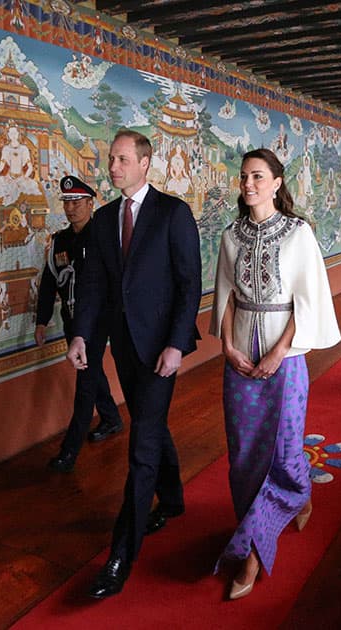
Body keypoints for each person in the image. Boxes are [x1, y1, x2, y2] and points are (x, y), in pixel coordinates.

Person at [67, 129, 202, 599]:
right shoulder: (105, 220)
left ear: (145, 163)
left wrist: (177, 344)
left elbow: (189, 284)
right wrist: (83, 333)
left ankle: (121, 556)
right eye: (111, 159)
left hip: (162, 347)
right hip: (122, 347)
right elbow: (94, 286)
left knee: (142, 441)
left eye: (122, 159)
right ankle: (176, 498)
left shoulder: (173, 213)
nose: (113, 167)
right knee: (151, 421)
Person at [210, 148, 340, 600]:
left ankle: (250, 551)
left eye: (258, 176)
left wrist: (280, 352)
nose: (248, 184)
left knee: (283, 449)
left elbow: (308, 298)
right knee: (244, 451)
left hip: (285, 359)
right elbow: (225, 296)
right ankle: (286, 506)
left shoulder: (298, 234)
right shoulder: (230, 236)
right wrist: (228, 347)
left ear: (277, 183)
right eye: (244, 176)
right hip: (239, 360)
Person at [36, 176, 124, 473]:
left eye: (77, 202)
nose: (71, 208)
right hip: (72, 321)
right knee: (92, 369)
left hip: (97, 322)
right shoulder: (60, 241)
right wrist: (41, 320)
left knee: (85, 383)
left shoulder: (102, 237)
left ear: (90, 203)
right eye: (67, 202)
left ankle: (69, 452)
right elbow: (49, 282)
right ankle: (111, 418)